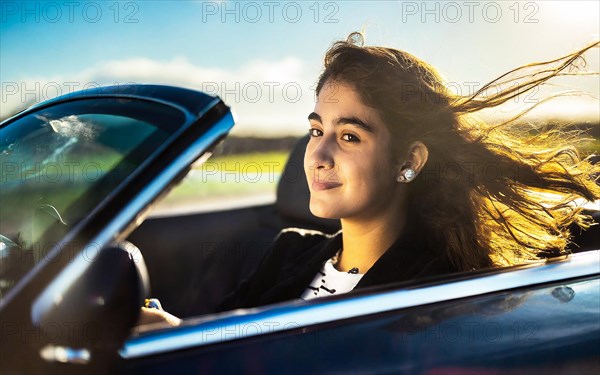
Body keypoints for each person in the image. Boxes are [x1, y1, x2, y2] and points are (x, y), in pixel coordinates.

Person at [138, 33, 600, 326]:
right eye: (317, 130)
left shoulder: (435, 291)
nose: (317, 154)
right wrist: (167, 331)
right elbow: (214, 347)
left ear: (409, 160)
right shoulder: (287, 252)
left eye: (349, 136)